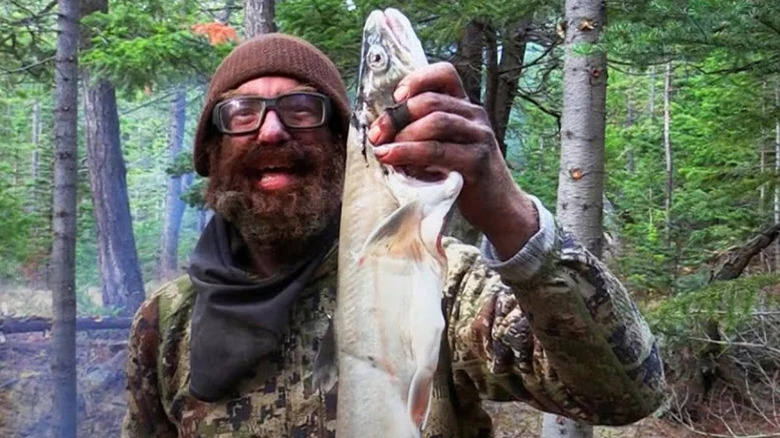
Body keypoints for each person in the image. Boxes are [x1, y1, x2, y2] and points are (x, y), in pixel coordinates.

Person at [121, 33, 665, 438]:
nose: (272, 130)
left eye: (303, 110)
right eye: (240, 112)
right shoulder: (166, 324)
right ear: (211, 154)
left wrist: (509, 215)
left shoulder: (441, 279)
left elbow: (624, 393)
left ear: (345, 147)